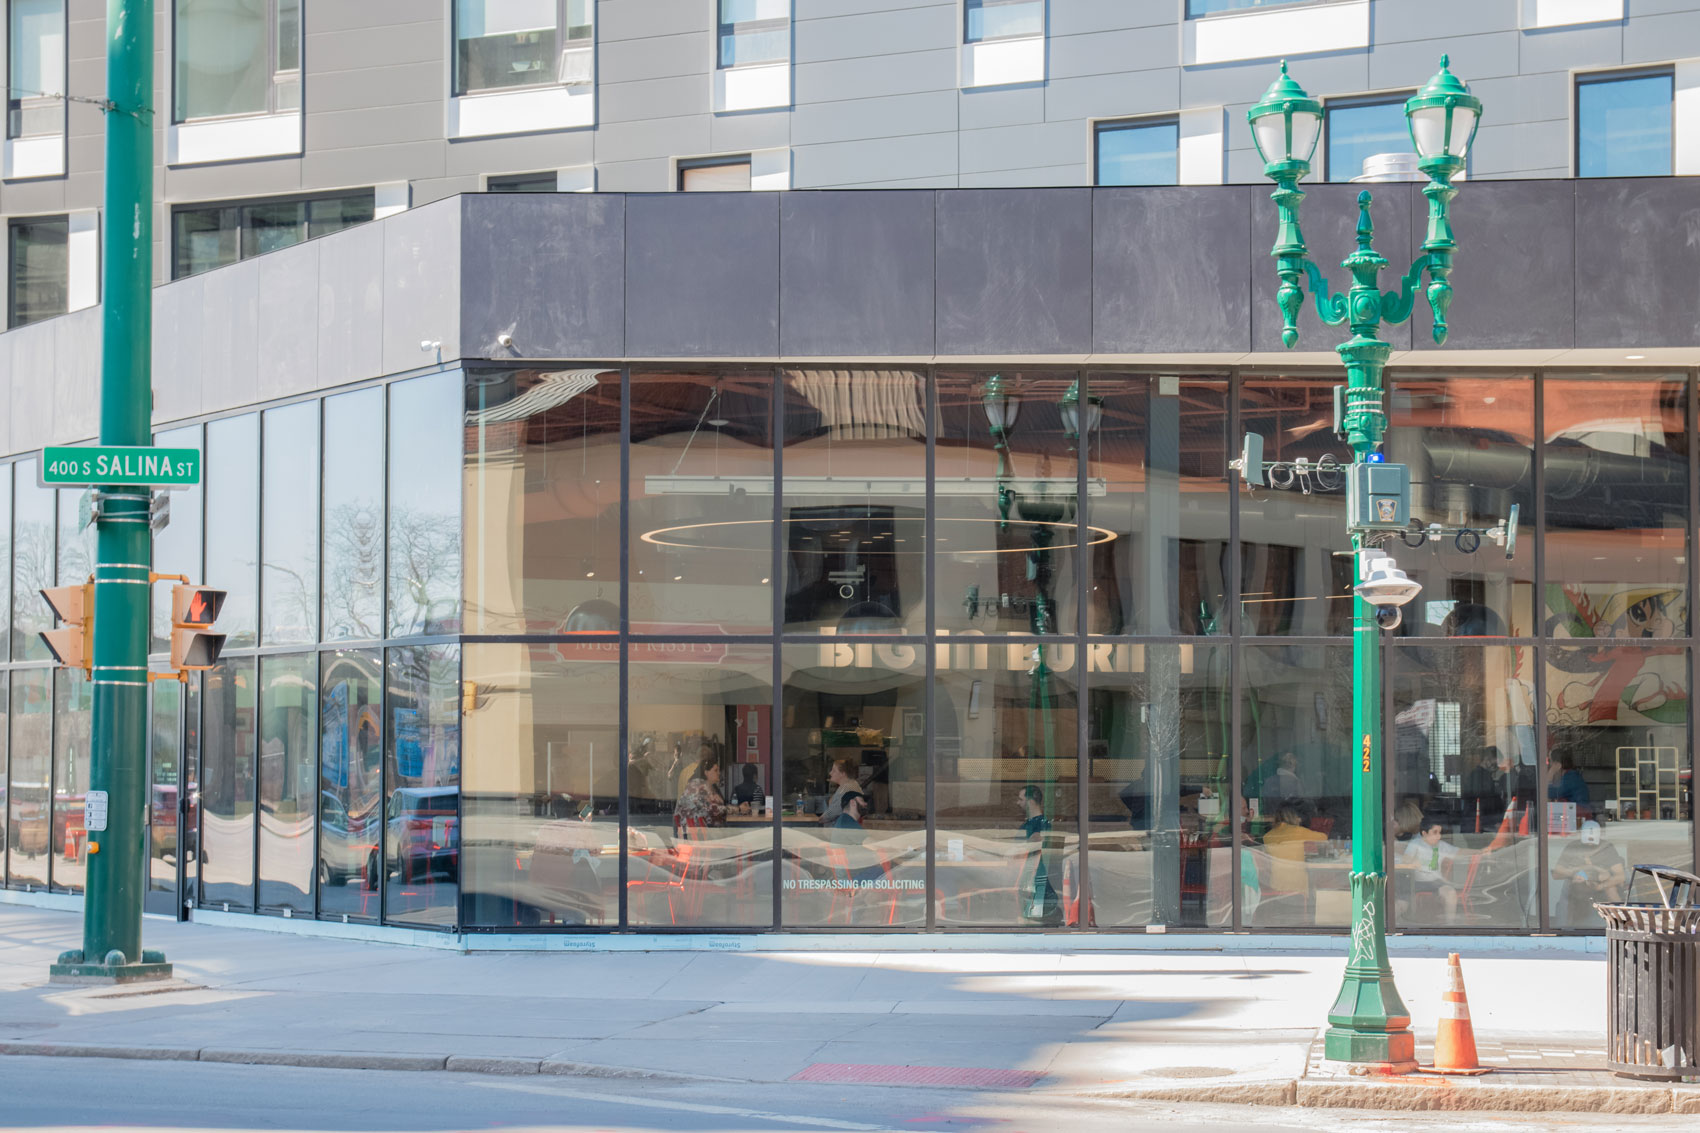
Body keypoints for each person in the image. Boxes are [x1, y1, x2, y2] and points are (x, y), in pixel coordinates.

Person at [1551, 820, 1627, 925]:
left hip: (1602, 883)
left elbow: (1620, 876)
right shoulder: (1573, 847)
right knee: (1574, 889)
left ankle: (1622, 924)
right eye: (1587, 842)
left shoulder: (1606, 848)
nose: (1590, 844)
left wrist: (1600, 885)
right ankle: (1568, 927)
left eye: (1593, 842)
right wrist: (1576, 873)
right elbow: (1556, 874)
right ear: (1581, 835)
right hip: (1579, 884)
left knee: (1611, 889)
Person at [1399, 817, 1460, 920]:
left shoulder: (1441, 845)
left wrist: (1480, 852)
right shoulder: (1415, 844)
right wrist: (1412, 861)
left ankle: (1450, 926)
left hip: (1436, 881)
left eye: (1440, 833)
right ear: (1424, 833)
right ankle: (1392, 928)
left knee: (1450, 893)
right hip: (1416, 882)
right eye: (1435, 832)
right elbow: (1406, 859)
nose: (1439, 836)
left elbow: (1460, 852)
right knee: (1401, 904)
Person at [1016, 786, 1060, 923]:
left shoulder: (1042, 824)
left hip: (1034, 875)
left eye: (1021, 799)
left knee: (1032, 917)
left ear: (1030, 801)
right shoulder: (1030, 824)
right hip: (1027, 874)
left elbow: (1034, 845)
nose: (1018, 803)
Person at [1262, 804, 1325, 894]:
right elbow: (1323, 837)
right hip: (1297, 886)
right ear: (1294, 817)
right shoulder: (1299, 831)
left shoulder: (1267, 836)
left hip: (1276, 885)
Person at [676, 761, 726, 829]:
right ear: (706, 772)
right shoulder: (698, 786)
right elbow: (713, 810)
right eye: (716, 770)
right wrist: (738, 809)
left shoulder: (712, 787)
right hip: (695, 833)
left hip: (701, 830)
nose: (719, 773)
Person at [1547, 752, 1594, 822]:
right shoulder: (1571, 776)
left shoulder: (1570, 778)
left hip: (1578, 819)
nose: (1549, 765)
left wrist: (1550, 773)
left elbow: (1547, 792)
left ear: (1558, 765)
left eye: (1550, 761)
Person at [819, 758, 857, 826]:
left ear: (842, 773)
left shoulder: (847, 789)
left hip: (840, 833)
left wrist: (819, 820)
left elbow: (833, 812)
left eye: (834, 771)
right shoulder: (845, 787)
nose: (830, 773)